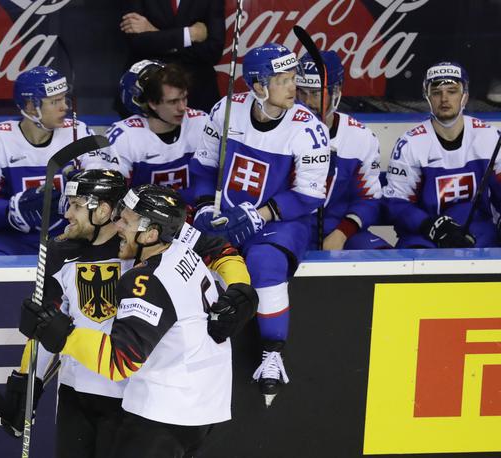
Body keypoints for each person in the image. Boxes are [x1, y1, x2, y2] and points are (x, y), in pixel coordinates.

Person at [0, 171, 257, 458]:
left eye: (77, 205)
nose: (67, 214)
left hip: (127, 392)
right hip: (76, 388)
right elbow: (46, 325)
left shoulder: (148, 239)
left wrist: (240, 288)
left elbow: (220, 251)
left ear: (103, 210)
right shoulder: (59, 251)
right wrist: (27, 383)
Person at [190, 43, 330, 406]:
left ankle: (272, 353)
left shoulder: (308, 129)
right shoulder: (225, 110)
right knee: (189, 259)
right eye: (282, 80)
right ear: (257, 86)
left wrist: (261, 214)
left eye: (293, 78)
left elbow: (310, 195)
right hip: (227, 209)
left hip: (281, 221)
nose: (292, 88)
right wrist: (206, 208)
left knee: (265, 263)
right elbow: (204, 166)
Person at [0, 66, 115, 256]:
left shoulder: (79, 132)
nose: (65, 107)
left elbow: (103, 189)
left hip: (69, 236)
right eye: (55, 101)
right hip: (12, 240)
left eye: (64, 99)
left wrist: (90, 185)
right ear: (30, 106)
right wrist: (13, 210)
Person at [383, 61, 501, 248]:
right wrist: (432, 227)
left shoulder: (489, 137)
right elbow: (396, 203)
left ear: (465, 96)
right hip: (426, 234)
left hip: (481, 231)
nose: (444, 98)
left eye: (452, 91)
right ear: (428, 97)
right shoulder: (410, 143)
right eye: (437, 92)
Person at [295, 51, 390, 250]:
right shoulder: (282, 132)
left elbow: (369, 199)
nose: (307, 102)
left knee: (383, 257)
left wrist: (342, 234)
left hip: (336, 230)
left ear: (336, 91)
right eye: (301, 92)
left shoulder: (360, 138)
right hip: (291, 230)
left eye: (315, 94)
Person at [107, 60, 208, 205]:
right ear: (152, 103)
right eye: (173, 102)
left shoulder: (201, 122)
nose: (182, 107)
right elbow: (113, 196)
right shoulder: (124, 137)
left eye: (184, 98)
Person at [118, 0, 224, 113]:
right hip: (146, 94)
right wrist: (188, 35)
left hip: (197, 96)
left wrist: (154, 32)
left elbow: (213, 51)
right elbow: (137, 42)